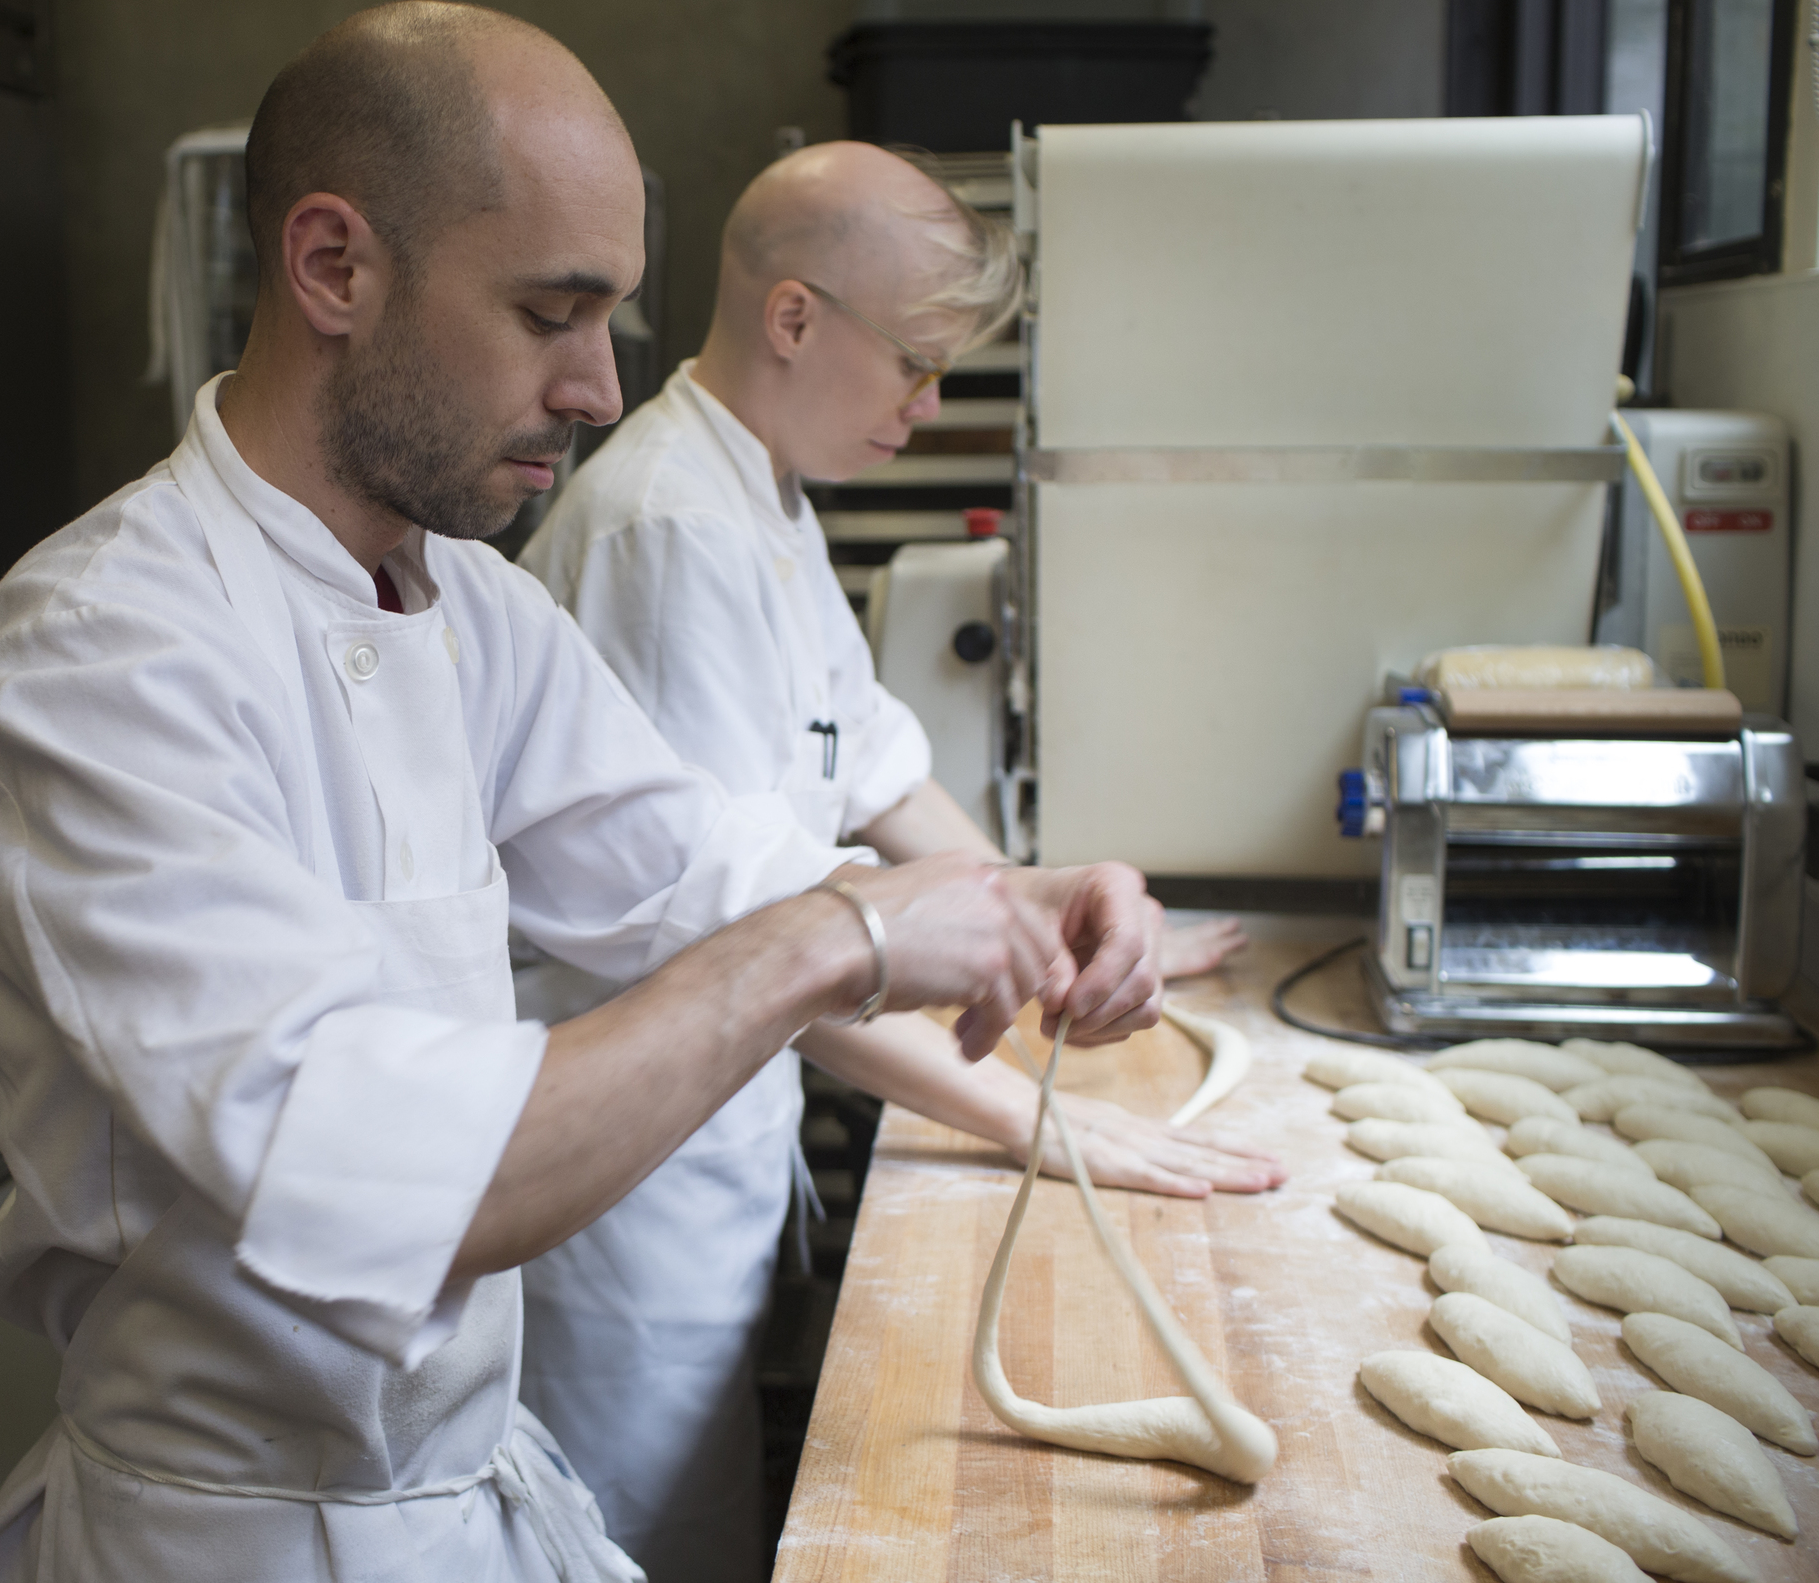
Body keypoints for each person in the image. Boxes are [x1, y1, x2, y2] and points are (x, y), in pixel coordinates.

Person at [0, 4, 1167, 1583]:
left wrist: (1018, 905)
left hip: (465, 1489)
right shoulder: (100, 663)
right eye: (549, 313)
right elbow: (408, 1179)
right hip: (231, 1538)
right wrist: (843, 938)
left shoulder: (472, 609)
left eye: (612, 320)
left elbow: (690, 867)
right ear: (333, 268)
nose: (597, 386)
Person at [512, 140, 1287, 1582]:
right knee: (646, 1543)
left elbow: (875, 767)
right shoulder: (671, 529)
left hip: (716, 1143)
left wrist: (1042, 921)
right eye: (918, 365)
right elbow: (739, 942)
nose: (929, 410)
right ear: (794, 318)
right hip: (629, 1190)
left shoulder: (766, 499)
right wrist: (1024, 1119)